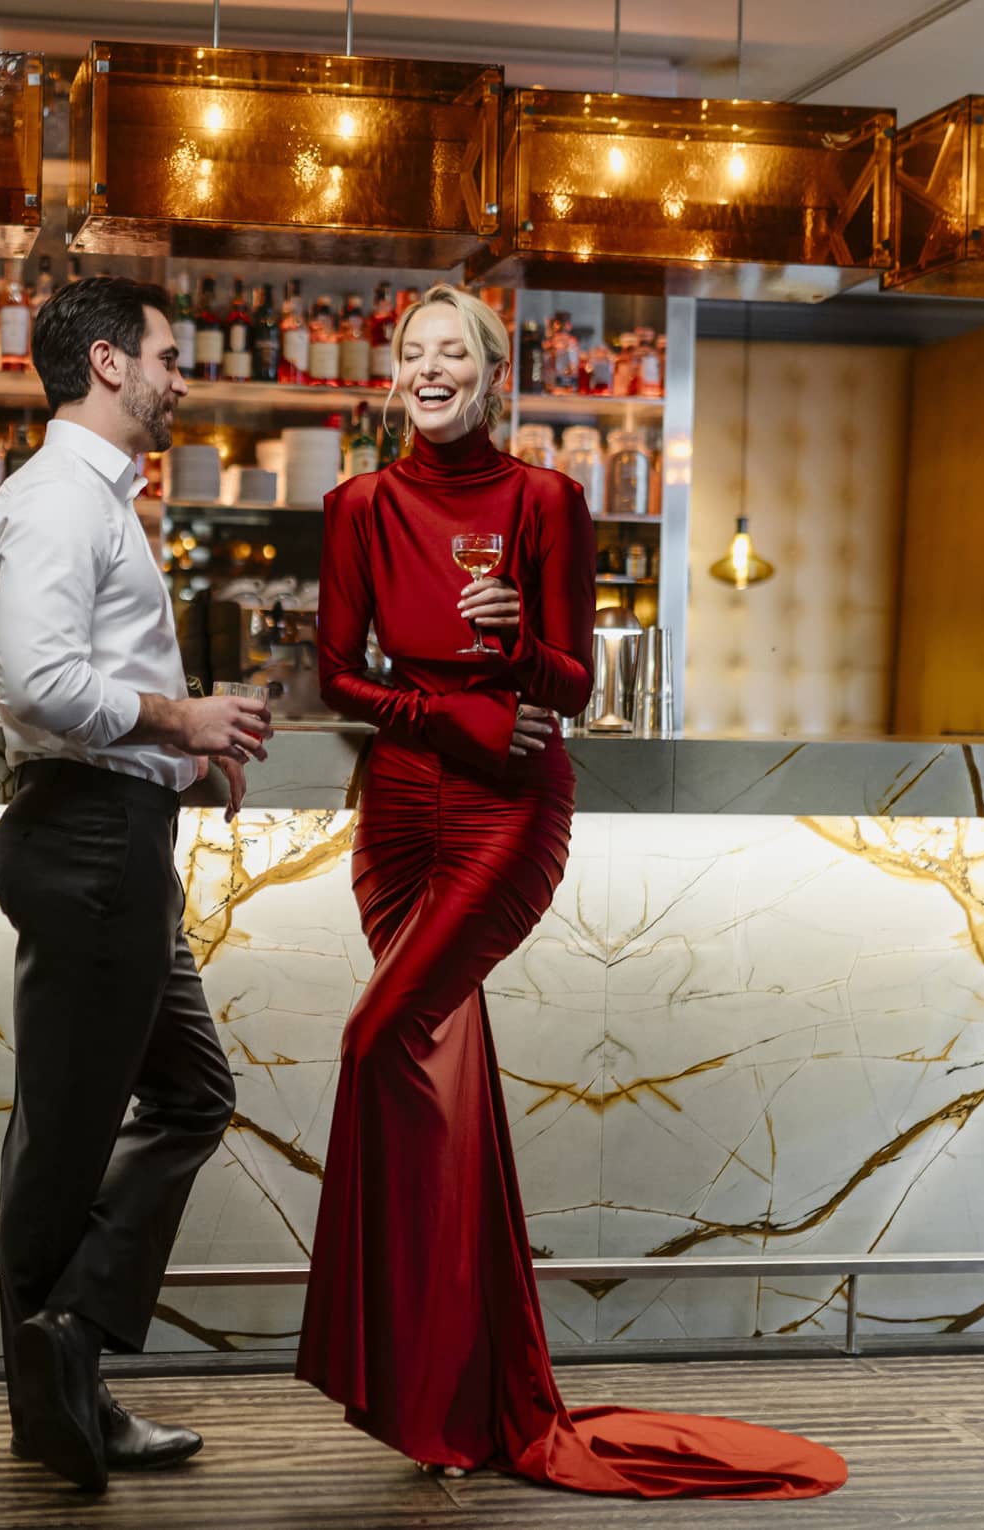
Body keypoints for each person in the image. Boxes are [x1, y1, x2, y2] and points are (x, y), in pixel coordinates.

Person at [294, 284, 847, 1500]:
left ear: (496, 375)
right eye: (412, 355)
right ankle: (454, 1397)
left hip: (508, 810)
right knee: (445, 1084)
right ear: (395, 378)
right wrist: (448, 709)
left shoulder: (547, 501)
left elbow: (574, 682)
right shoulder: (357, 508)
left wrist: (509, 642)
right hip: (398, 816)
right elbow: (340, 674)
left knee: (380, 1041)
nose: (430, 370)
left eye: (455, 354)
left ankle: (409, 1376)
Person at [0, 275, 273, 1493]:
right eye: (166, 354)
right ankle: (67, 1380)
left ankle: (66, 1379)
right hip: (88, 845)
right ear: (108, 362)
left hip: (115, 834)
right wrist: (183, 715)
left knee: (182, 1097)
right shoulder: (59, 499)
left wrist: (183, 757)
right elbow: (41, 682)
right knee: (68, 1143)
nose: (181, 375)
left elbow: (86, 684)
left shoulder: (98, 498)